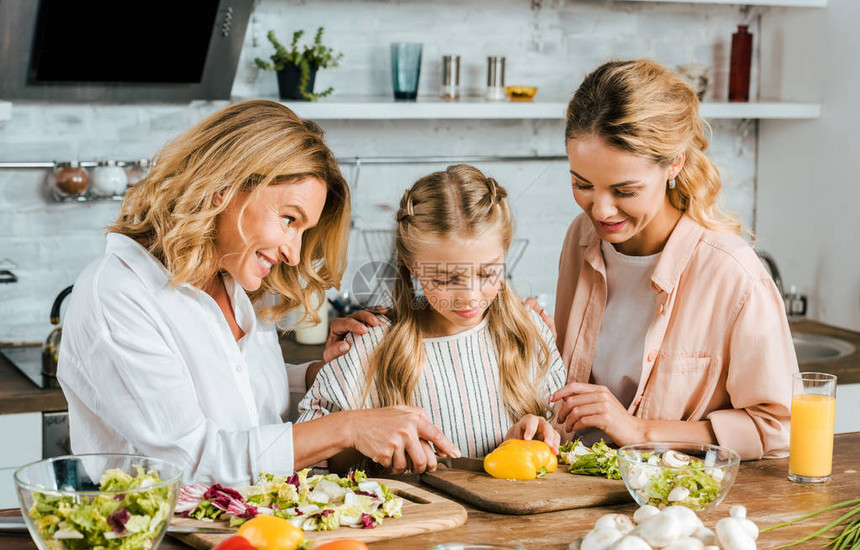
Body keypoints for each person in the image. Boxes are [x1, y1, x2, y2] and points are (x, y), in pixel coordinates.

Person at [57, 100, 458, 485]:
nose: (293, 251)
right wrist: (348, 428)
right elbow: (190, 461)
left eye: (302, 230)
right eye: (288, 219)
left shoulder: (236, 282)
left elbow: (237, 399)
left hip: (251, 529)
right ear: (224, 187)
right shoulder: (118, 294)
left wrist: (327, 374)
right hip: (162, 544)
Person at [550, 60, 797, 461]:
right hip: (572, 486)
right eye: (582, 184)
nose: (601, 211)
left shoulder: (732, 273)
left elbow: (779, 427)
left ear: (674, 164)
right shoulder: (581, 238)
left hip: (674, 503)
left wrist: (640, 431)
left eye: (625, 190)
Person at [297, 164, 567, 471]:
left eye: (488, 272)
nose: (469, 296)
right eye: (446, 278)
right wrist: (369, 447)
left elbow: (564, 439)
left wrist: (533, 438)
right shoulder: (371, 343)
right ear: (411, 266)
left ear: (505, 254)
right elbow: (315, 461)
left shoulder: (531, 333)